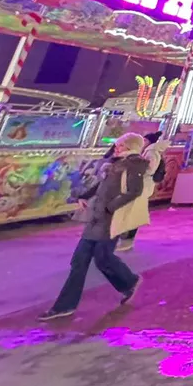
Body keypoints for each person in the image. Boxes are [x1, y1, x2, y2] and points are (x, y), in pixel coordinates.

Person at [39, 132, 147, 320]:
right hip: (97, 218)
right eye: (117, 145)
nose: (116, 148)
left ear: (129, 146)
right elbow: (101, 186)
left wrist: (110, 207)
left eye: (120, 145)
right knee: (79, 262)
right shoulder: (115, 163)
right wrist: (84, 196)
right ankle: (65, 306)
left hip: (110, 219)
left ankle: (129, 281)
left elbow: (134, 191)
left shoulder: (134, 164)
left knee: (102, 259)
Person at [116, 131, 166, 251]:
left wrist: (136, 170)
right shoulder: (148, 152)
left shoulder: (151, 152)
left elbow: (149, 170)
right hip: (140, 185)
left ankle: (127, 239)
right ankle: (124, 237)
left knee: (133, 211)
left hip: (143, 185)